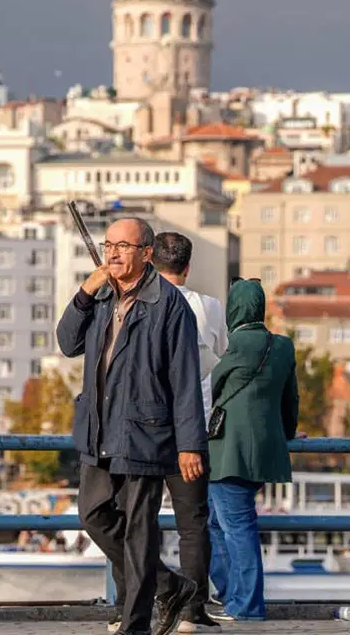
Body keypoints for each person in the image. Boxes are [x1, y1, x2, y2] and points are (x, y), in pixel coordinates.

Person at [56, 217, 207, 635]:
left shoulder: (168, 303)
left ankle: (135, 624)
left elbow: (185, 378)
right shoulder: (100, 295)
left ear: (146, 253)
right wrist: (86, 291)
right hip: (99, 427)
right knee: (92, 514)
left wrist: (189, 444)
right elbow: (67, 342)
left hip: (146, 430)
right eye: (108, 246)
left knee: (140, 529)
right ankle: (169, 585)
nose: (113, 253)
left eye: (124, 246)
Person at [205, 279, 300, 622]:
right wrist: (287, 434)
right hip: (265, 451)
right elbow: (291, 400)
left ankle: (246, 607)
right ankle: (231, 594)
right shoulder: (283, 347)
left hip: (227, 452)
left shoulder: (234, 348)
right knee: (216, 522)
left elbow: (211, 391)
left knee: (237, 527)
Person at [151, 232, 229, 633]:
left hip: (147, 429)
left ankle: (137, 600)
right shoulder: (210, 307)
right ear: (188, 265)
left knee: (137, 519)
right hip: (194, 428)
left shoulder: (142, 303)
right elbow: (220, 355)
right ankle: (193, 608)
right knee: (193, 524)